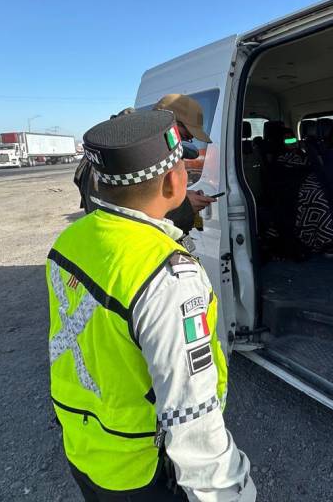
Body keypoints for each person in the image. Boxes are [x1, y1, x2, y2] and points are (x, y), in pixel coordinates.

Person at [47, 109, 255, 501]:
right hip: (141, 466)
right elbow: (189, 409)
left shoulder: (70, 240)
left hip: (86, 445)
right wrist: (230, 491)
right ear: (172, 182)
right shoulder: (167, 276)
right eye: (182, 166)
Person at [75, 95, 216, 234]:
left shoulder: (140, 155)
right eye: (182, 137)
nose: (180, 145)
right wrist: (185, 208)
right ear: (164, 122)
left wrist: (177, 199)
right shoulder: (116, 160)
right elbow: (121, 225)